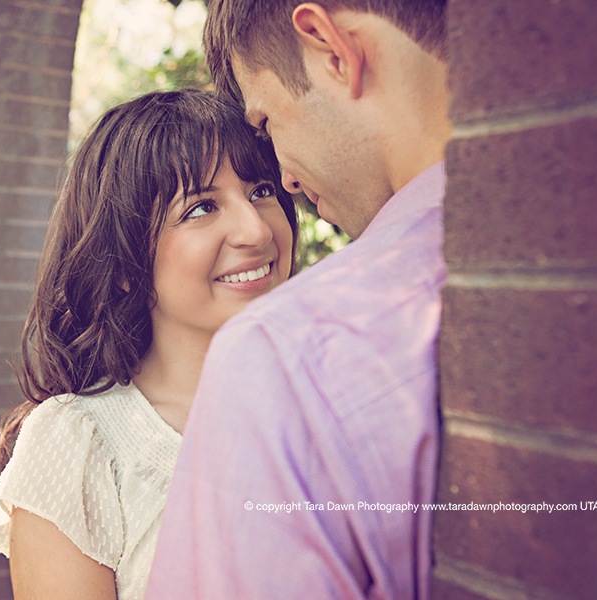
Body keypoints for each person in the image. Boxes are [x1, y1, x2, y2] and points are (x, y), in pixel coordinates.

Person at [146, 1, 451, 599]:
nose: (285, 179)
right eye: (201, 207)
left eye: (266, 124)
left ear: (331, 49)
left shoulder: (288, 356)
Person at [0, 89, 297, 600]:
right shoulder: (82, 444)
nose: (256, 230)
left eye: (261, 190)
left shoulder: (332, 401)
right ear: (125, 262)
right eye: (201, 208)